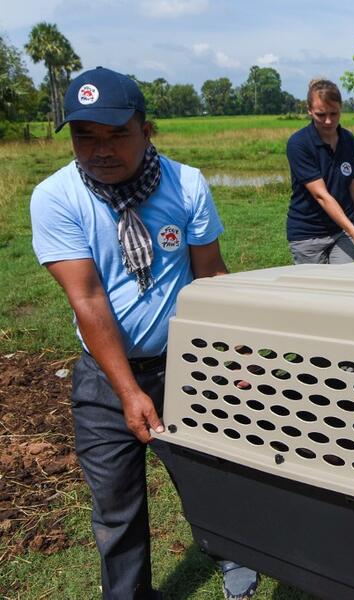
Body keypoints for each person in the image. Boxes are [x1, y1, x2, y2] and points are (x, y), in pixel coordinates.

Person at [30, 67, 259, 600]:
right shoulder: (57, 197)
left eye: (116, 135)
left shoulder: (186, 184)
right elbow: (87, 300)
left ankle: (234, 560)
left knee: (211, 475)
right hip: (106, 380)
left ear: (147, 129)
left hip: (188, 364)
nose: (100, 150)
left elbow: (212, 275)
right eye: (85, 136)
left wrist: (237, 357)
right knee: (115, 505)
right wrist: (129, 392)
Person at [285, 79, 354, 264]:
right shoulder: (299, 144)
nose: (328, 121)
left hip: (342, 230)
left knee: (348, 283)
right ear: (309, 110)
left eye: (334, 113)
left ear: (341, 108)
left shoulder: (348, 139)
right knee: (316, 290)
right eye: (320, 114)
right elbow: (321, 196)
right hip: (308, 234)